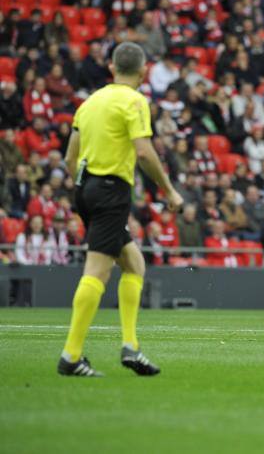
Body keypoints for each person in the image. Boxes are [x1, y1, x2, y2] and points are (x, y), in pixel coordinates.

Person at [58, 42, 183, 377]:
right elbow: (143, 152)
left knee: (133, 262)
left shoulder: (90, 102)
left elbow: (70, 158)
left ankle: (131, 347)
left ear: (111, 68)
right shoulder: (135, 101)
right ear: (143, 72)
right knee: (97, 270)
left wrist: (86, 189)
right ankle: (70, 357)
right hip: (112, 189)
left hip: (85, 187)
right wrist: (169, 191)